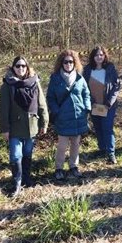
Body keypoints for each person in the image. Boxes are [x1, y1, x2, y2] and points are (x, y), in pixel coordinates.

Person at [0, 56, 49, 196]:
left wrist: (44, 123)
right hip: (15, 128)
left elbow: (41, 104)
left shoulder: (34, 83)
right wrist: (5, 129)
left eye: (23, 66)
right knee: (15, 156)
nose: (21, 68)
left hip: (32, 126)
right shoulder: (7, 85)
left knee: (27, 154)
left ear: (27, 67)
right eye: (18, 66)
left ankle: (27, 179)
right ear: (13, 68)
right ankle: (17, 183)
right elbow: (3, 109)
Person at [47, 49, 91, 180]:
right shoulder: (55, 79)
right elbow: (50, 97)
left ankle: (74, 166)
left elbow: (86, 94)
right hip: (63, 118)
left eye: (71, 62)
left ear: (75, 63)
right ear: (61, 63)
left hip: (78, 117)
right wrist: (56, 111)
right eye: (65, 62)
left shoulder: (80, 78)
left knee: (76, 144)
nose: (68, 64)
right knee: (62, 145)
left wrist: (86, 108)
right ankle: (59, 168)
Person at [83, 46, 121, 164]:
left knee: (107, 128)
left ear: (105, 56)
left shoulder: (110, 68)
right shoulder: (88, 70)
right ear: (92, 57)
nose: (99, 57)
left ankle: (111, 153)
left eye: (101, 55)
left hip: (108, 105)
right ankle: (102, 149)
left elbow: (116, 86)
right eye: (96, 55)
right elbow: (84, 87)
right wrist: (89, 102)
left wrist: (110, 101)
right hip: (94, 104)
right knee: (98, 128)